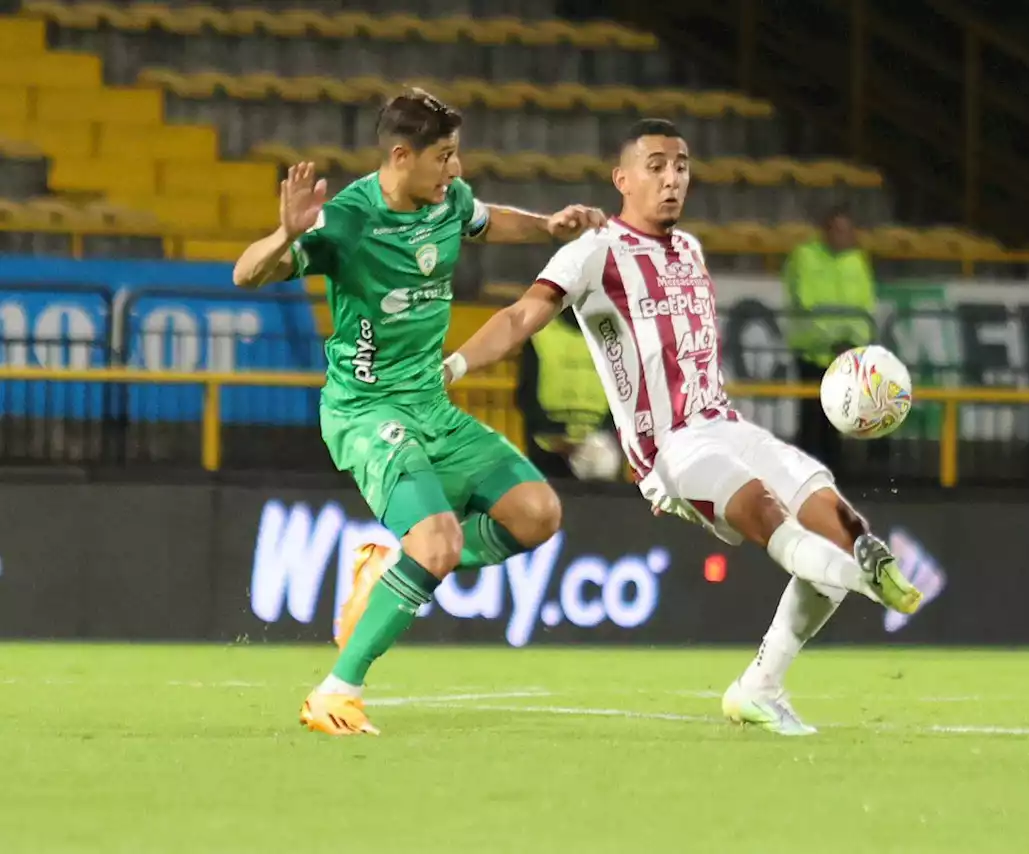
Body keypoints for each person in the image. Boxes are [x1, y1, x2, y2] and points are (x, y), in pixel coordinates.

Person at [444, 118, 921, 736]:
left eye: (682, 166)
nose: (673, 179)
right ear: (622, 179)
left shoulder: (690, 249)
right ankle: (871, 581)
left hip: (725, 424)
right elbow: (519, 318)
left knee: (833, 514)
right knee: (772, 516)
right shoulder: (594, 252)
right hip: (671, 445)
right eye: (657, 166)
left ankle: (761, 686)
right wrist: (453, 365)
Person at [231, 88, 606, 736]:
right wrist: (284, 235)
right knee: (436, 541)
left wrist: (548, 227)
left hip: (432, 406)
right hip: (367, 411)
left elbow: (489, 217)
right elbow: (245, 275)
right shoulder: (347, 220)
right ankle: (334, 694)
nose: (455, 170)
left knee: (538, 514)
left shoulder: (449, 201)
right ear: (401, 155)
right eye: (445, 157)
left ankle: (386, 570)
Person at [783, 206, 879, 465]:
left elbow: (865, 306)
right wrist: (834, 339)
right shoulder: (805, 257)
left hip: (844, 353)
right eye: (838, 230)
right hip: (813, 350)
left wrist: (852, 341)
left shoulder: (857, 261)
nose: (844, 236)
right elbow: (807, 304)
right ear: (825, 232)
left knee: (837, 415)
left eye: (848, 231)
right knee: (812, 416)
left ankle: (833, 473)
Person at [516, 309, 616, 480]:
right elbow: (526, 396)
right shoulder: (541, 333)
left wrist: (602, 435)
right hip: (548, 451)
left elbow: (624, 397)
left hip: (600, 451)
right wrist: (558, 436)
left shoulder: (613, 337)